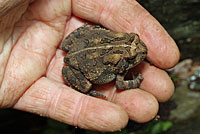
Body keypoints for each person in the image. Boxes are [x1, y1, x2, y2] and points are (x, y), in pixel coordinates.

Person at [0, 0, 180, 132]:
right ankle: (87, 90)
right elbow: (121, 84)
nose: (142, 51)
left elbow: (88, 35)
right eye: (133, 57)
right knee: (86, 85)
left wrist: (88, 30)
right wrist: (137, 79)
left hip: (78, 45)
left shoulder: (117, 43)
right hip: (78, 65)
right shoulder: (120, 65)